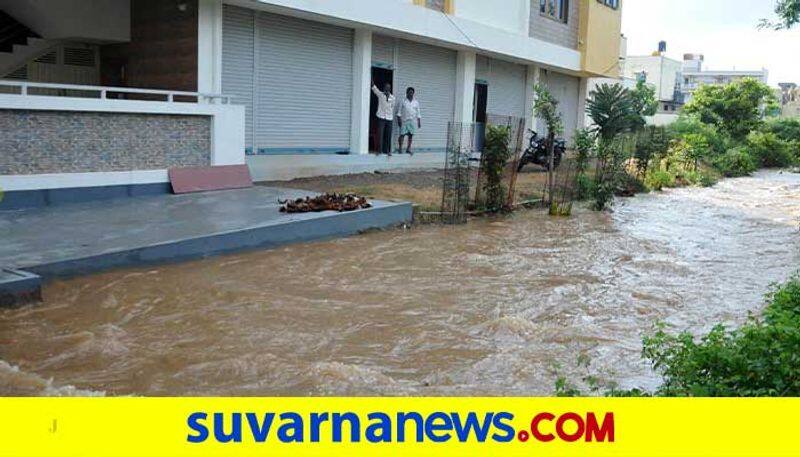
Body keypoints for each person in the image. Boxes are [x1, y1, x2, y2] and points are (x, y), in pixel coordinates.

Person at [371, 81, 395, 156]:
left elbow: (392, 107)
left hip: (389, 118)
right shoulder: (380, 94)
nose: (387, 89)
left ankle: (387, 150)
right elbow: (374, 88)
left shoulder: (393, 98)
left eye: (388, 88)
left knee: (388, 135)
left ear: (390, 89)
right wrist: (370, 73)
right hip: (381, 117)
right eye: (386, 87)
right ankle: (379, 150)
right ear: (384, 88)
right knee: (380, 134)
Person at [396, 87, 422, 155]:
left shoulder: (416, 102)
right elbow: (399, 112)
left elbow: (418, 112)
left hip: (412, 121)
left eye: (412, 93)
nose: (411, 94)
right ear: (406, 93)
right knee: (402, 135)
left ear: (413, 93)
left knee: (410, 135)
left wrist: (419, 121)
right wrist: (399, 120)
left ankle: (408, 148)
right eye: (409, 92)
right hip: (404, 120)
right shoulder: (403, 101)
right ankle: (400, 148)